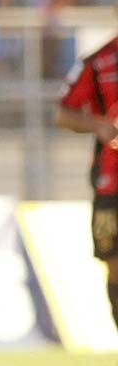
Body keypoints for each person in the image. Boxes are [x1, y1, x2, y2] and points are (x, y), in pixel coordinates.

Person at [55, 18, 118, 332]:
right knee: (114, 263)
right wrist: (99, 127)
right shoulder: (97, 62)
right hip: (111, 180)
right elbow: (62, 112)